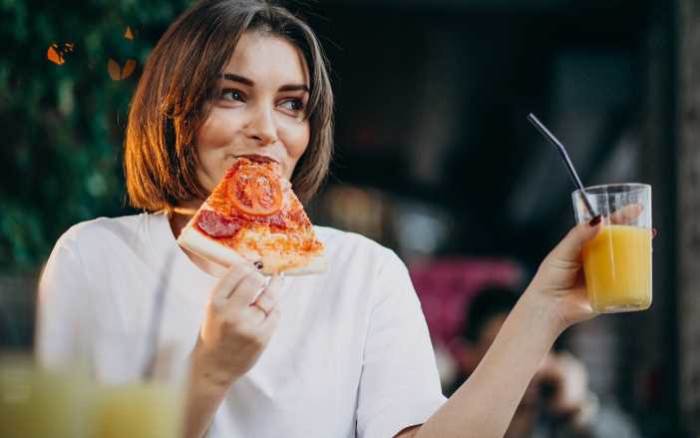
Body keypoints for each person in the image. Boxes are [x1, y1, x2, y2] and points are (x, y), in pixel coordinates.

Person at [37, 1, 608, 437]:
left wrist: (546, 307)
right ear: (174, 110)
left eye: (292, 104)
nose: (269, 129)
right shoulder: (94, 259)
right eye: (232, 95)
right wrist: (210, 370)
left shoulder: (366, 272)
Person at [447, 286, 641, 438]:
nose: (523, 364)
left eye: (533, 347)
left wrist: (580, 410)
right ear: (468, 356)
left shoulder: (567, 415)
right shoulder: (445, 417)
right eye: (503, 350)